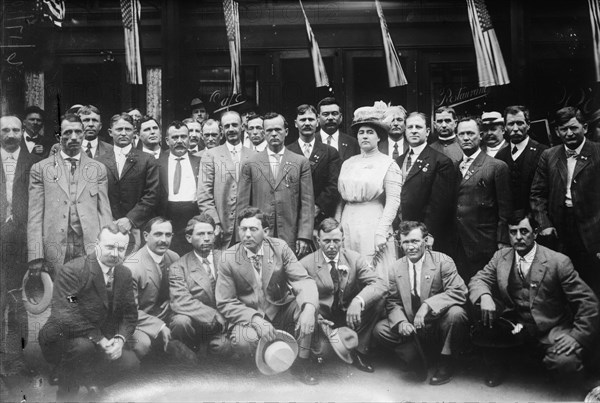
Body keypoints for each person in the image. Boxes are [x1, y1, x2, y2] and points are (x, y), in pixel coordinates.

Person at [468, 211, 599, 387]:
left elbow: (588, 303)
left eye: (524, 231)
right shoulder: (501, 257)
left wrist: (577, 336)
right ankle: (497, 364)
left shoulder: (557, 262)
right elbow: (479, 279)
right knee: (480, 307)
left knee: (564, 363)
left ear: (535, 233)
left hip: (550, 328)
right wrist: (484, 296)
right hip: (514, 325)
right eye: (513, 232)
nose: (518, 237)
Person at [215, 207, 320, 384]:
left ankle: (301, 362)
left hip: (280, 308)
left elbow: (303, 280)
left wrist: (309, 308)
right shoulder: (228, 258)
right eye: (243, 229)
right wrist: (255, 319)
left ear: (266, 231)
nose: (247, 234)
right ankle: (252, 366)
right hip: (249, 314)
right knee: (244, 340)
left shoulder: (280, 247)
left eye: (253, 229)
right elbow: (225, 302)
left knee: (309, 307)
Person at [38, 225, 139, 400]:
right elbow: (68, 310)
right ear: (96, 244)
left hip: (100, 337)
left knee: (131, 363)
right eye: (109, 247)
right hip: (64, 335)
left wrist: (120, 339)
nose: (115, 254)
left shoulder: (124, 274)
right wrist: (99, 339)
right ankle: (66, 390)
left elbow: (130, 315)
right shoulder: (73, 271)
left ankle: (93, 383)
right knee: (82, 348)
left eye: (121, 249)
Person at [374, 221, 468, 385]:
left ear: (425, 240)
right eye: (405, 242)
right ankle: (417, 356)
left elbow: (459, 291)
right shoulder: (396, 268)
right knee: (380, 329)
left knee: (456, 314)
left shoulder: (443, 261)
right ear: (400, 243)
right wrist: (402, 322)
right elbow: (393, 301)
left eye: (415, 241)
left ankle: (446, 361)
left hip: (438, 323)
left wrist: (427, 306)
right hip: (413, 327)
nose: (410, 247)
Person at [300, 218, 386, 372]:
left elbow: (379, 284)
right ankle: (321, 348)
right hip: (322, 319)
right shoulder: (306, 264)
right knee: (324, 354)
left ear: (343, 240)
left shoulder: (354, 258)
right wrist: (315, 316)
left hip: (349, 314)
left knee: (379, 299)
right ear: (318, 240)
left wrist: (358, 301)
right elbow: (296, 294)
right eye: (326, 241)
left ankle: (359, 350)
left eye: (336, 241)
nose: (332, 246)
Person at [530, 106, 600, 295]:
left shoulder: (597, 153)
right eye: (563, 129)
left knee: (592, 284)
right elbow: (537, 194)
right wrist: (544, 224)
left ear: (585, 127)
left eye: (573, 128)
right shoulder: (549, 155)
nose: (569, 133)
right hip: (560, 230)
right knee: (562, 284)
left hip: (592, 230)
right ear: (557, 131)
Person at [28, 114, 112, 269]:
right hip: (55, 249)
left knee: (88, 291)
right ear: (59, 135)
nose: (73, 137)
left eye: (78, 132)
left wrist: (108, 249)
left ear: (83, 134)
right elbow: (35, 217)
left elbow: (104, 212)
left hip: (90, 247)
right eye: (67, 132)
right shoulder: (40, 169)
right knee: (59, 292)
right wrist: (35, 256)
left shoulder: (98, 169)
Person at [337, 103, 402, 278]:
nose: (365, 136)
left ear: (379, 137)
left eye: (370, 132)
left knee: (373, 269)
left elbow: (393, 201)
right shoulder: (348, 163)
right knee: (348, 267)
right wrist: (337, 225)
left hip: (372, 221)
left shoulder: (388, 164)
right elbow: (340, 200)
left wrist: (381, 231)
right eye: (361, 132)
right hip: (348, 220)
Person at [237, 112, 315, 256]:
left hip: (290, 234)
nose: (274, 134)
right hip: (259, 233)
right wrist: (243, 236)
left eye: (278, 130)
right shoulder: (250, 164)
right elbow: (242, 204)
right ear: (264, 133)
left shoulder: (300, 162)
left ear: (286, 131)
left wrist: (304, 236)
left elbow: (307, 202)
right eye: (269, 130)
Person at [453, 116, 512, 281]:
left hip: (484, 243)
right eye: (462, 134)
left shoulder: (496, 166)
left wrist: (503, 242)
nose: (466, 138)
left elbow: (505, 210)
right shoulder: (453, 167)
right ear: (457, 137)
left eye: (471, 133)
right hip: (458, 243)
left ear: (480, 135)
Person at [96, 113, 160, 253]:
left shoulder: (147, 160)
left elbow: (152, 195)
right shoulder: (99, 162)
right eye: (119, 129)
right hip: (107, 226)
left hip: (138, 227)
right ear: (110, 132)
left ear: (135, 133)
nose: (123, 133)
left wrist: (130, 219)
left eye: (128, 129)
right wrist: (109, 220)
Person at [169, 214, 230, 355]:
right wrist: (213, 315)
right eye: (201, 234)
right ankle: (189, 351)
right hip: (196, 322)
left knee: (224, 348)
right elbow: (180, 301)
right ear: (189, 238)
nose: (207, 238)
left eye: (210, 233)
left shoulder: (227, 257)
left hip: (225, 320)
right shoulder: (178, 266)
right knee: (180, 322)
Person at [396, 112, 455, 254]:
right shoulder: (397, 161)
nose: (414, 130)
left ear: (427, 131)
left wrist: (428, 234)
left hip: (424, 235)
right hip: (401, 232)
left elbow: (439, 205)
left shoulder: (440, 161)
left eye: (418, 127)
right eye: (410, 127)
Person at [197, 111, 254, 250]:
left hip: (247, 229)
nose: (231, 129)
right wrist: (215, 222)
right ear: (222, 130)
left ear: (242, 127)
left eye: (235, 125)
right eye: (227, 126)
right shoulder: (210, 155)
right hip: (221, 228)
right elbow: (204, 195)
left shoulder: (254, 156)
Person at [125, 217, 180, 360]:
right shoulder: (132, 266)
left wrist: (171, 298)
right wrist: (160, 326)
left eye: (168, 235)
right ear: (145, 236)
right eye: (158, 234)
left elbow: (178, 289)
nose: (164, 240)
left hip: (164, 313)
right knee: (142, 344)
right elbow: (130, 312)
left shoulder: (174, 257)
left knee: (184, 323)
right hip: (137, 320)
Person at [1, 116, 40, 289]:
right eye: (5, 130)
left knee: (19, 288)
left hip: (22, 233)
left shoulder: (34, 162)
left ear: (23, 131)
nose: (11, 134)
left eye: (16, 130)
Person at [288, 104, 341, 226]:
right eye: (302, 120)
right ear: (296, 123)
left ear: (317, 122)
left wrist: (317, 207)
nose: (307, 123)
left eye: (311, 119)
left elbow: (333, 185)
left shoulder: (330, 152)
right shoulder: (287, 152)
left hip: (322, 218)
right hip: (294, 217)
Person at [157, 121, 201, 255]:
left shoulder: (200, 162)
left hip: (193, 215)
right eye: (175, 137)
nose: (180, 141)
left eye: (183, 137)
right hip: (168, 216)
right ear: (166, 140)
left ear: (189, 138)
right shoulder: (157, 163)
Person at [495, 105, 547, 212]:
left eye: (519, 123)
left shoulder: (543, 152)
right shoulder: (500, 155)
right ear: (504, 127)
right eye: (510, 124)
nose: (515, 129)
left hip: (535, 217)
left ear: (528, 125)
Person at [317, 97, 359, 161]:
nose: (330, 118)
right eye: (326, 114)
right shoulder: (310, 141)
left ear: (341, 117)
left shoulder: (353, 143)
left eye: (334, 114)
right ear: (318, 118)